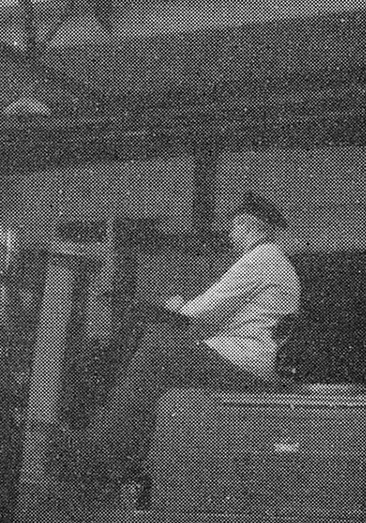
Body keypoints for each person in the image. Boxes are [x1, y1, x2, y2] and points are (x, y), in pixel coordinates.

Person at [59, 192, 299, 494]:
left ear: (248, 227)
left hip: (243, 362)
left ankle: (103, 458)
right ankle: (123, 456)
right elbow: (222, 314)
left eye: (234, 229)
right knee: (161, 357)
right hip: (254, 362)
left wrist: (178, 307)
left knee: (156, 353)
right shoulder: (278, 262)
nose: (231, 236)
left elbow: (205, 308)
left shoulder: (260, 258)